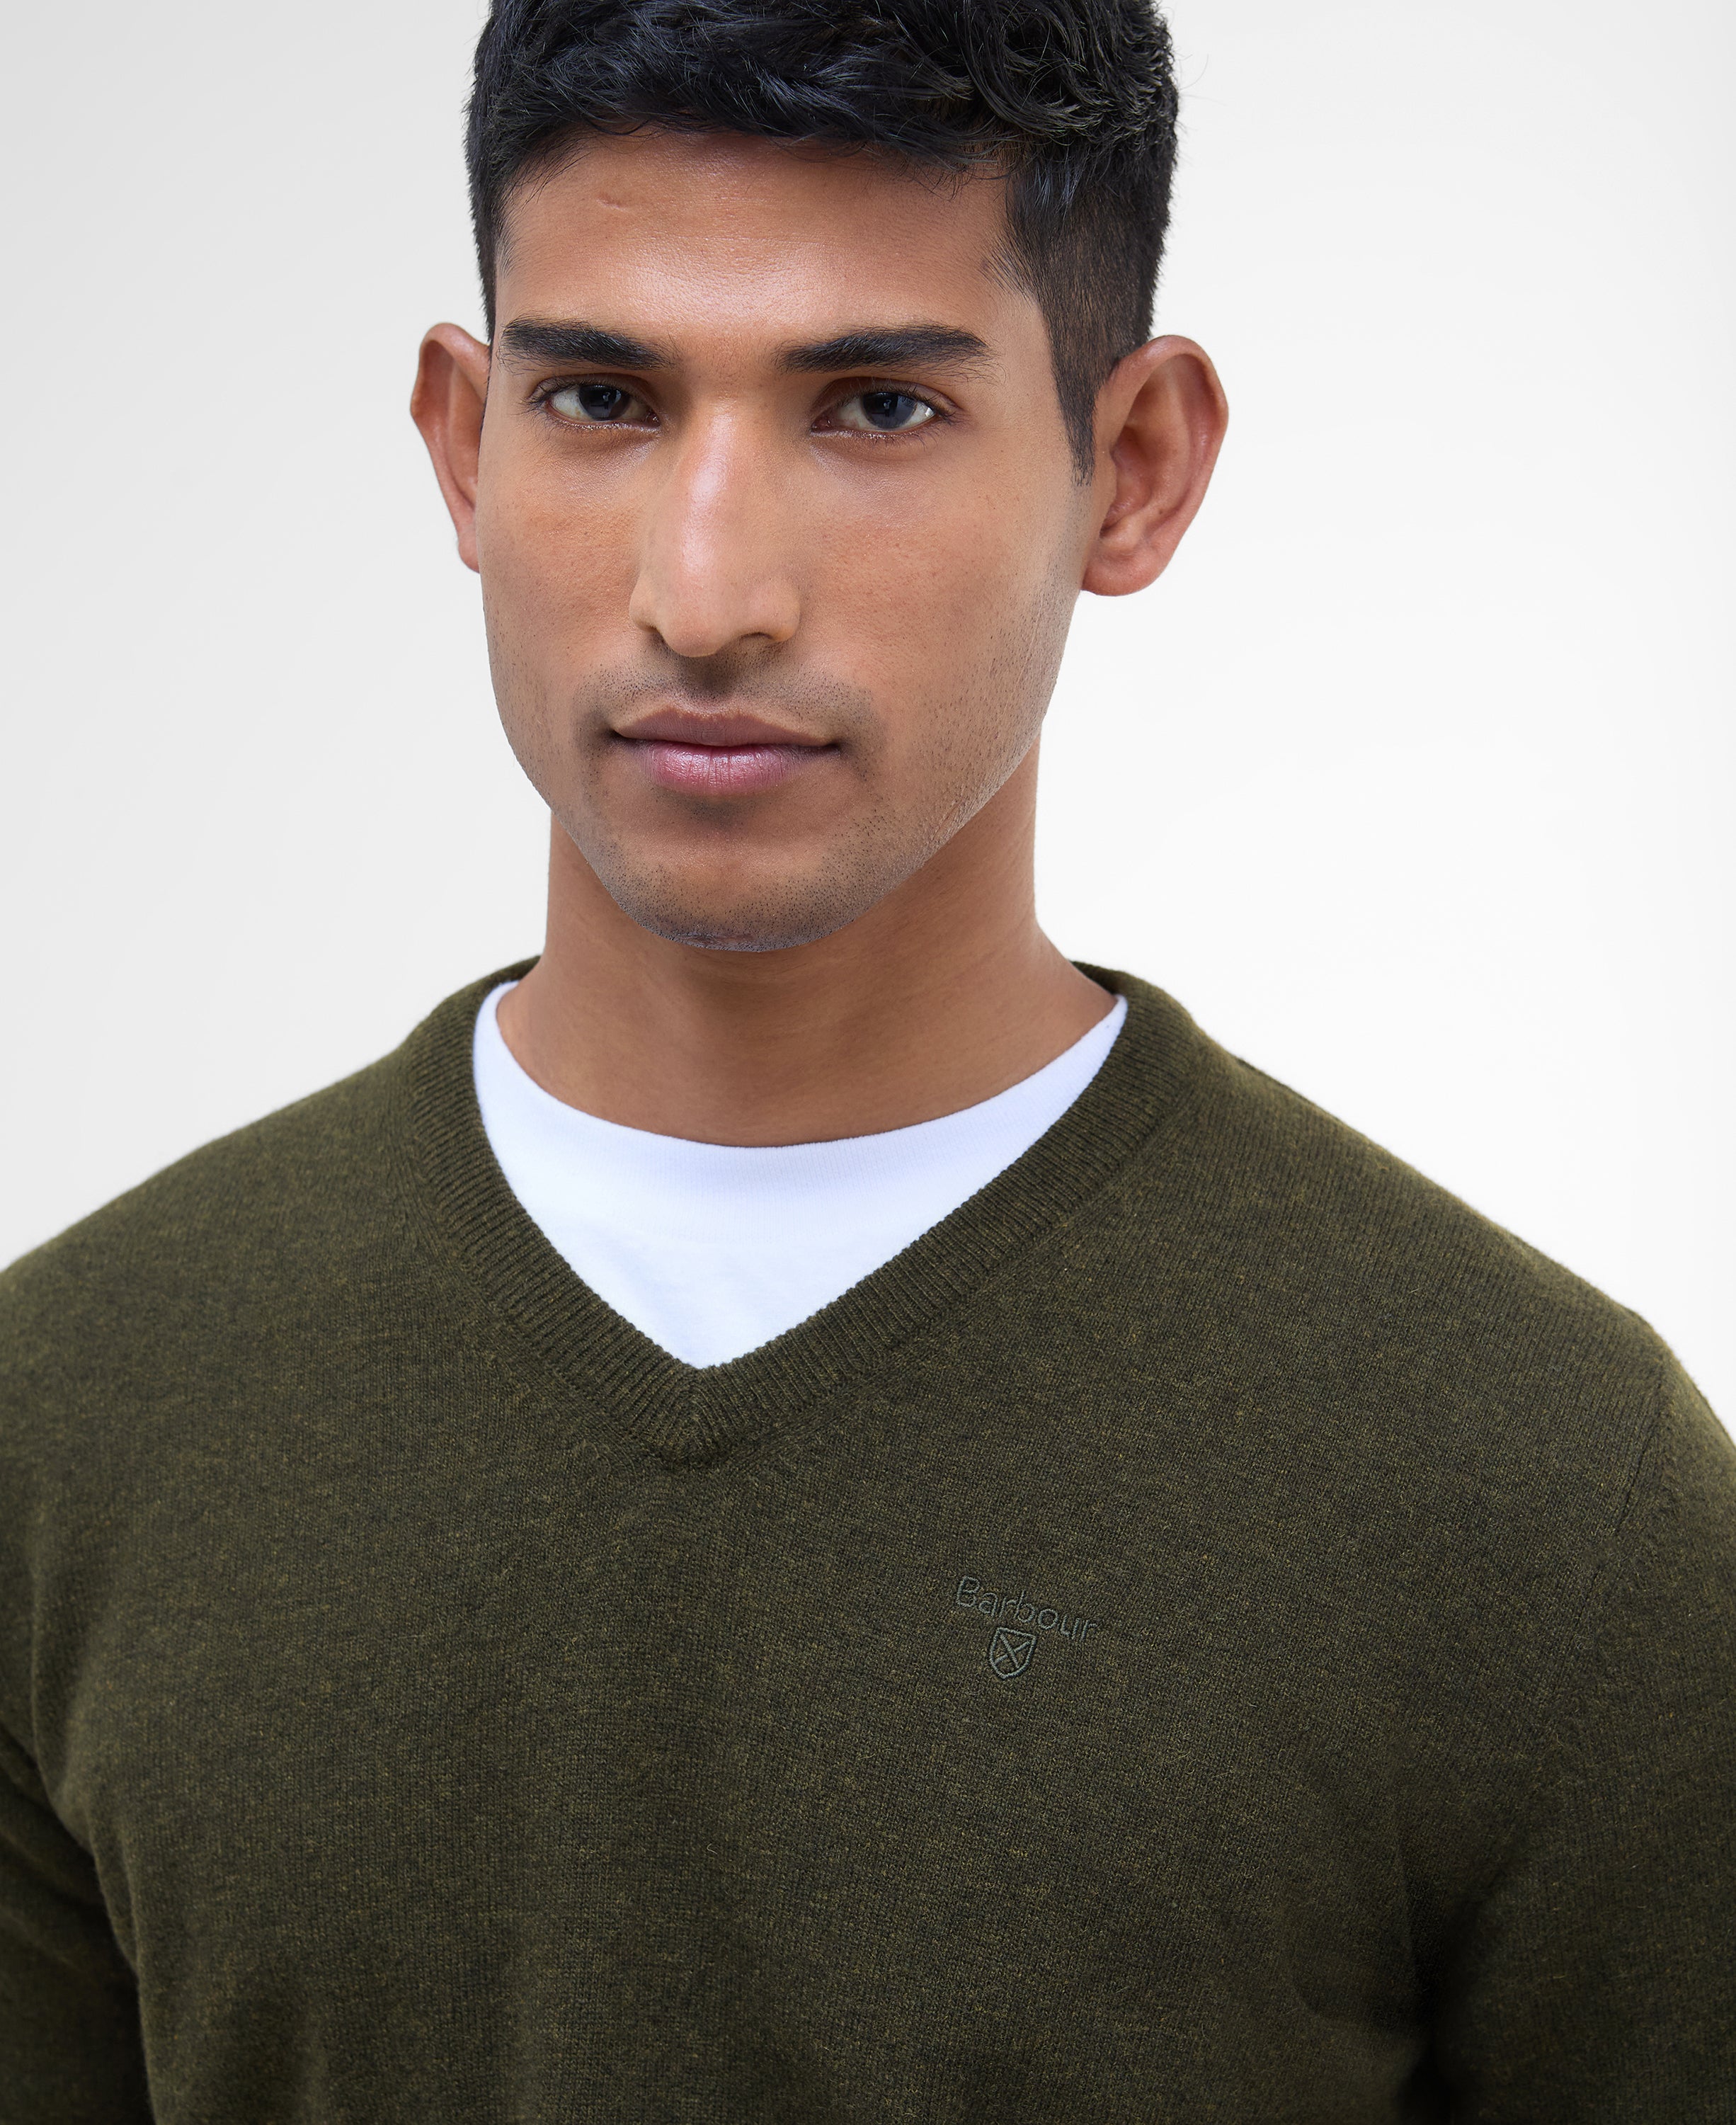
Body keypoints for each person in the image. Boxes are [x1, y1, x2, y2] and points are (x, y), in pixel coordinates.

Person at [1, 0, 1730, 2116]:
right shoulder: (59, 1429)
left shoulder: (1544, 1494)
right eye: (602, 399)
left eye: (879, 406)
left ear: (1136, 467)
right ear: (462, 445)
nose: (706, 591)